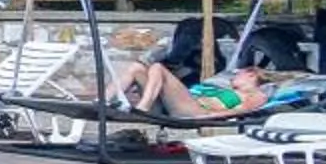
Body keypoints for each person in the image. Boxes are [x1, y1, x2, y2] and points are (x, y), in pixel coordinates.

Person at [112, 60, 271, 119]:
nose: (233, 77)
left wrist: (212, 115)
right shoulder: (225, 87)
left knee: (158, 68)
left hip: (197, 110)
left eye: (238, 73)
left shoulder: (256, 95)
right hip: (177, 104)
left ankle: (144, 107)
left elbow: (242, 111)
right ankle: (103, 100)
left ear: (251, 74)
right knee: (136, 67)